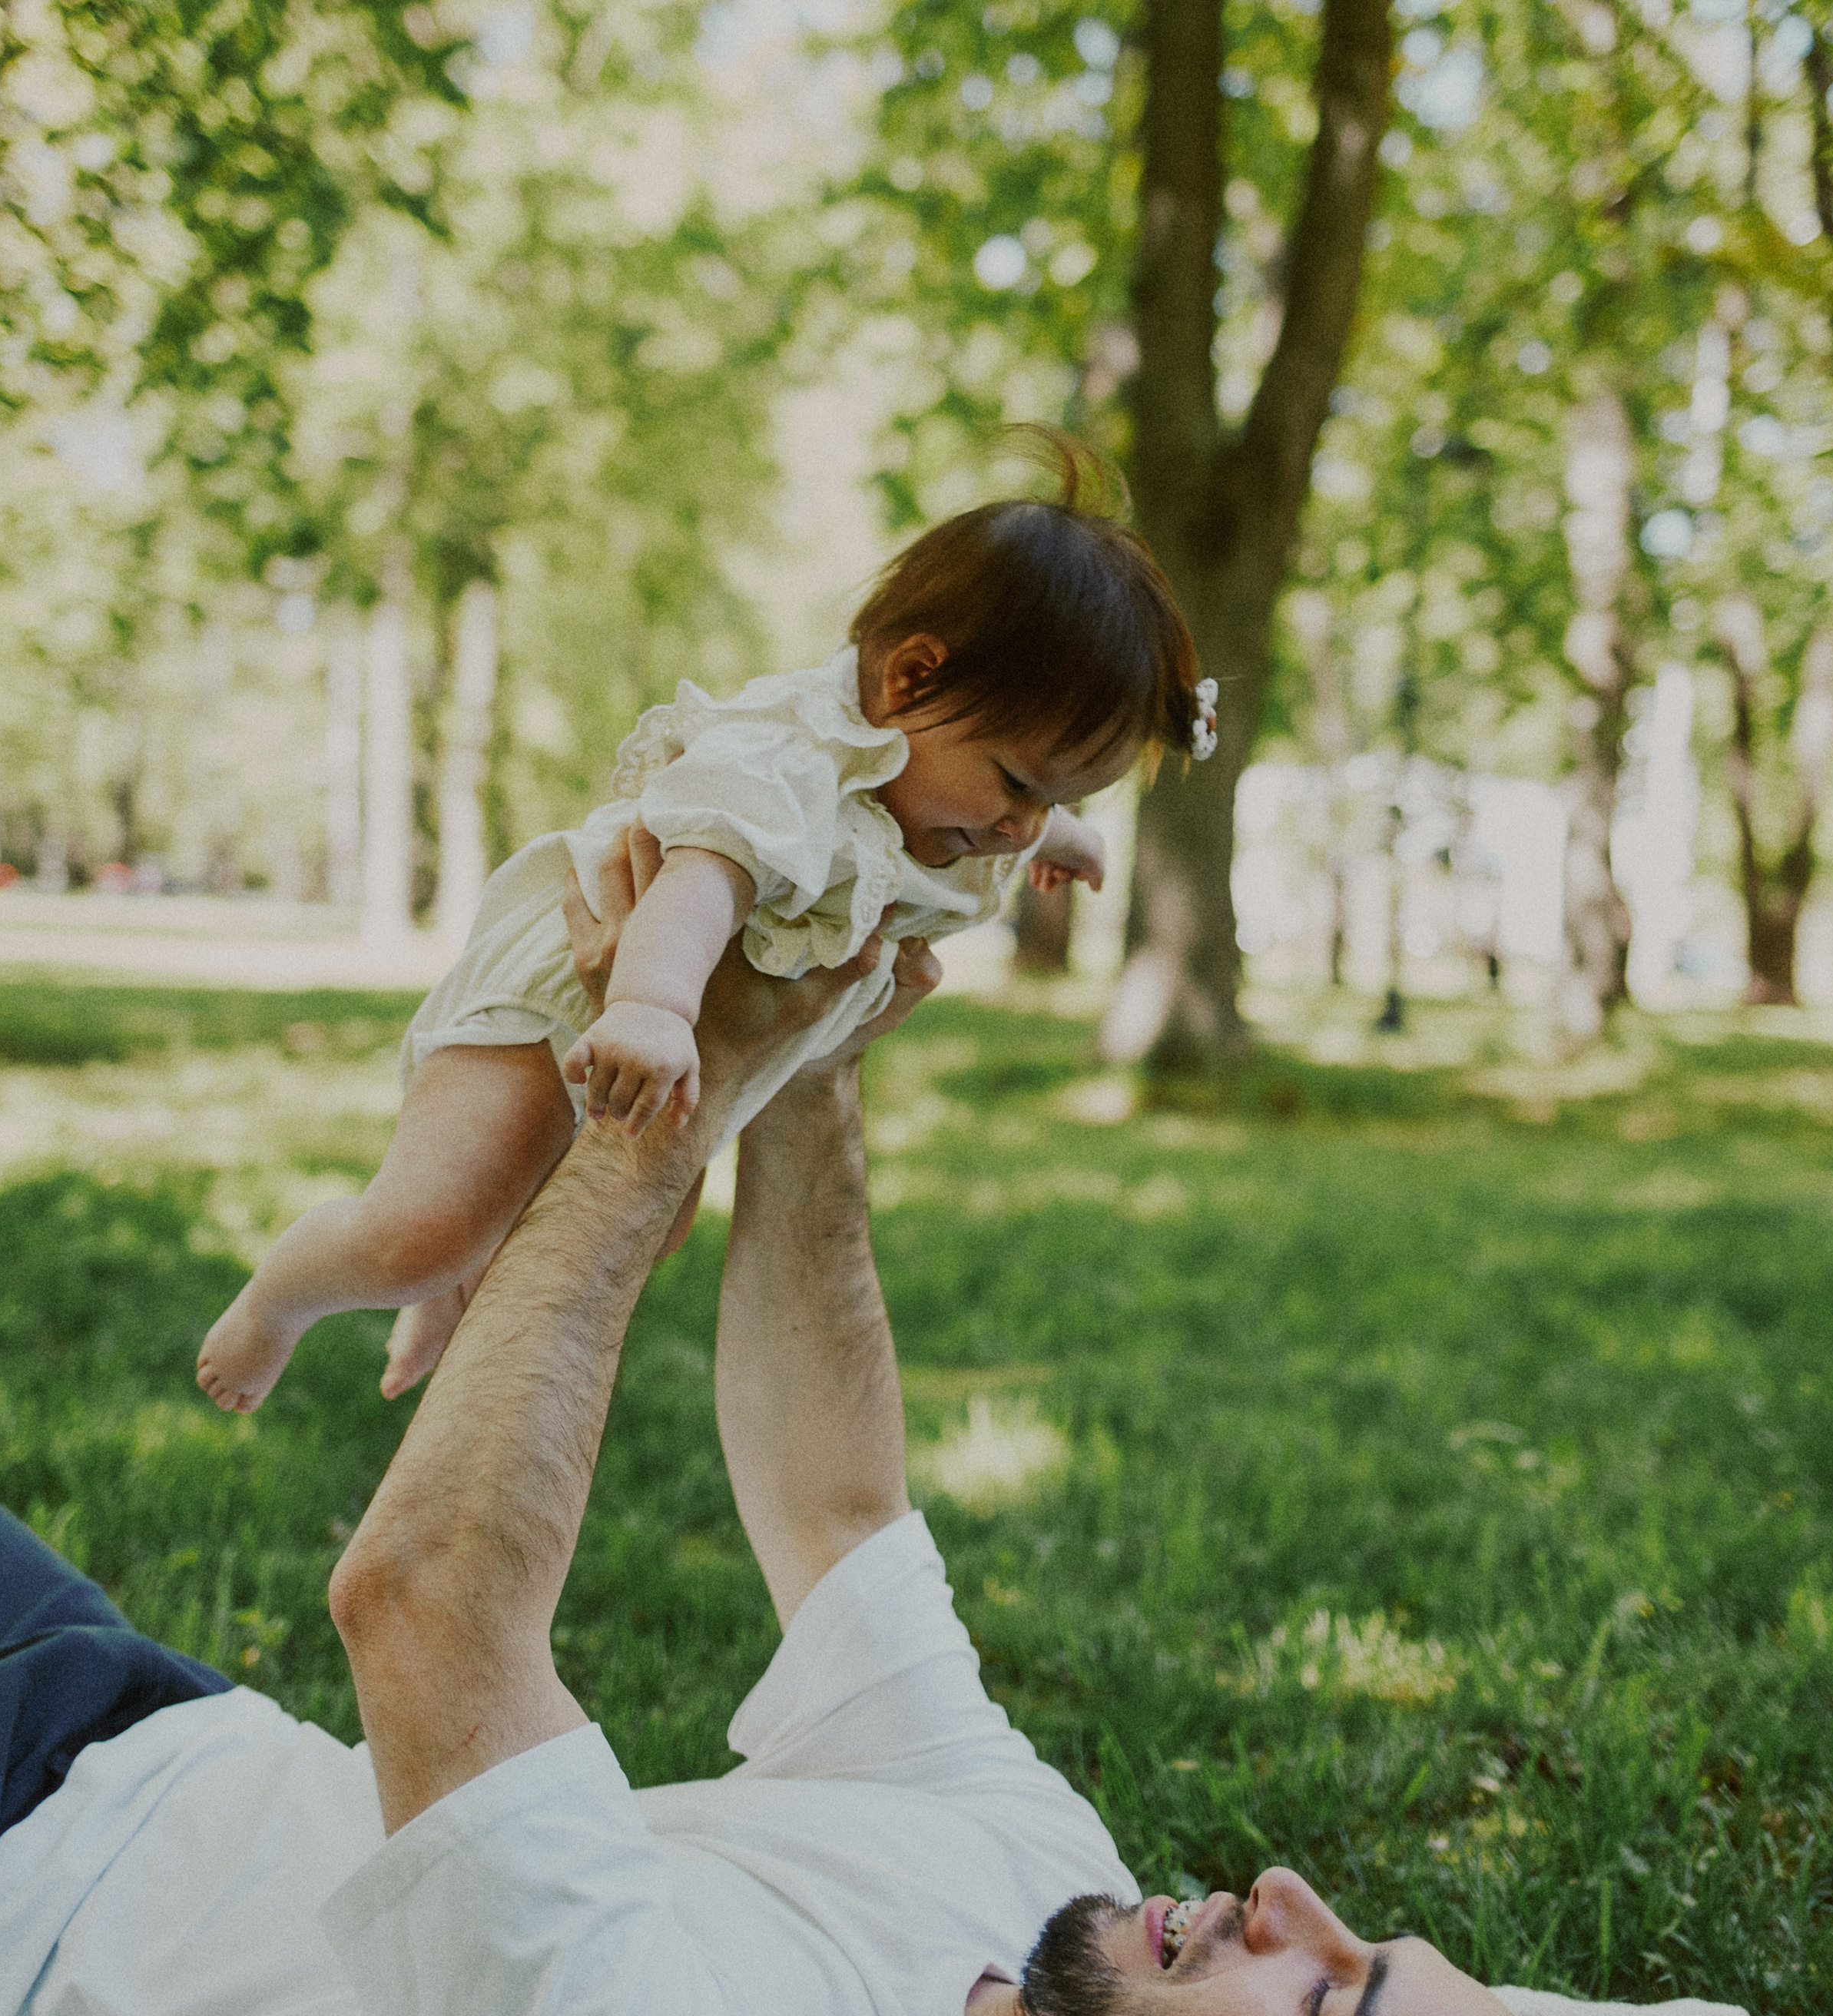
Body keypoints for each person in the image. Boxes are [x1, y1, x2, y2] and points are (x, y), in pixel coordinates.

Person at [0, 854, 1590, 2016]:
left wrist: (664, 1110)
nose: (1284, 1900)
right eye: (1346, 1929)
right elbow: (840, 1510)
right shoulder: (1038, 1882)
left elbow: (424, 1609)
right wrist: (818, 1014)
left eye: (1323, 2002)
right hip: (127, 1711)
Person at [196, 435, 1215, 1415]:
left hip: (676, 1045)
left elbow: (1000, 800)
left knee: (645, 1224)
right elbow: (701, 882)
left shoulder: (941, 797)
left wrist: (1058, 834)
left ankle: (451, 1285)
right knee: (425, 1223)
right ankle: (287, 1297)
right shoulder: (787, 768)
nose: (1018, 826)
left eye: (1059, 799)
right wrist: (646, 1004)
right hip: (571, 1000)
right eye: (1022, 787)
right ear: (910, 680)